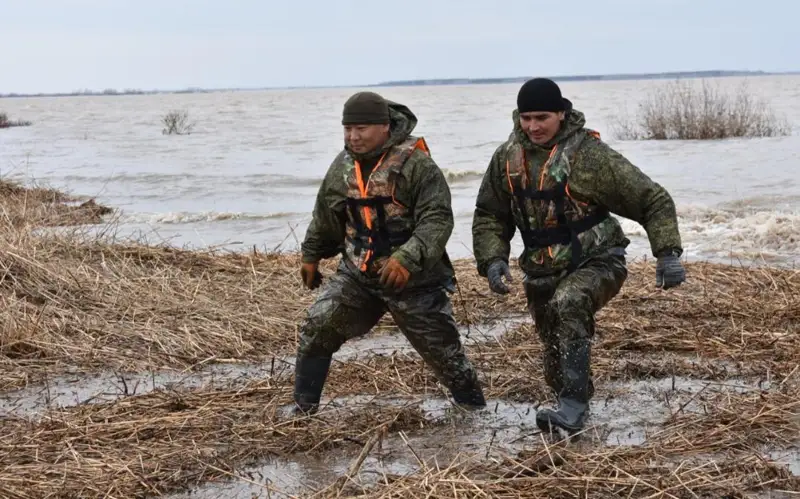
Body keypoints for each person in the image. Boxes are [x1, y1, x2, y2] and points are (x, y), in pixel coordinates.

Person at [471, 77, 686, 435]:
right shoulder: (507, 158)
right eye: (526, 118)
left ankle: (573, 408)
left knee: (569, 304)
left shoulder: (588, 155)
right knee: (553, 338)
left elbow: (652, 199)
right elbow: (489, 214)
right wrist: (493, 259)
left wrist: (668, 253)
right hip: (543, 268)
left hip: (598, 259)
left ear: (561, 113)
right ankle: (569, 402)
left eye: (542, 117)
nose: (533, 126)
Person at [294, 91, 486, 414]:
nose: (353, 137)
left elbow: (437, 219)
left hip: (414, 282)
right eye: (347, 129)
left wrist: (407, 259)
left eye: (362, 129)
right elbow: (326, 214)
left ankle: (475, 414)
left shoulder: (417, 165)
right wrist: (311, 255)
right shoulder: (342, 167)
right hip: (358, 276)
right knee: (317, 326)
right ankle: (302, 411)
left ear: (385, 127)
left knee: (447, 358)